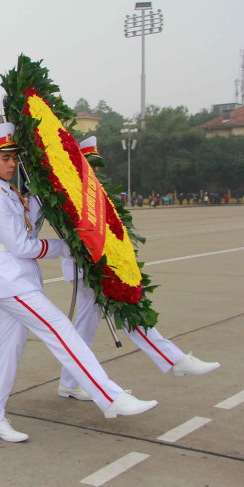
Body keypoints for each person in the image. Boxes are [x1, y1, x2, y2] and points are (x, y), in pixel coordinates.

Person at [0, 123, 157, 443]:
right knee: (62, 330)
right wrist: (67, 247)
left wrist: (49, 190)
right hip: (12, 280)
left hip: (20, 279)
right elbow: (23, 246)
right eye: (4, 158)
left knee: (9, 352)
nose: (11, 163)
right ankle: (109, 396)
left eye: (14, 157)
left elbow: (32, 217)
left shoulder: (8, 191)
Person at [57, 137, 220, 401]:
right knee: (127, 308)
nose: (97, 171)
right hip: (91, 269)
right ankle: (173, 358)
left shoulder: (93, 193)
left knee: (85, 327)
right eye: (92, 164)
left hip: (96, 267)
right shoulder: (74, 192)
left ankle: (68, 381)